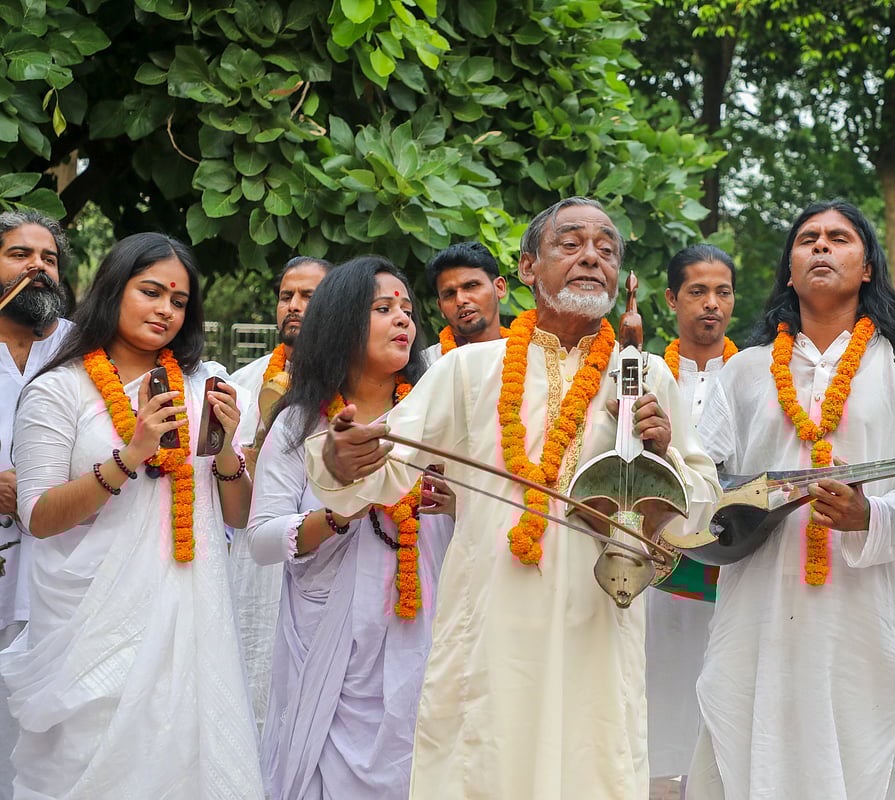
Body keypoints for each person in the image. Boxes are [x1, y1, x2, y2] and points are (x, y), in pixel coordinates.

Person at [306, 196, 720, 799]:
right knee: (484, 767)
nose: (591, 258)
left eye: (607, 248)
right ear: (527, 268)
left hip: (598, 621)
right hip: (490, 627)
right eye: (571, 243)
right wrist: (343, 457)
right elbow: (383, 469)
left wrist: (664, 456)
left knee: (591, 766)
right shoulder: (469, 369)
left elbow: (701, 507)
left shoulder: (645, 374)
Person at [689, 200, 895, 800]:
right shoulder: (746, 370)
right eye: (808, 239)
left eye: (839, 238)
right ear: (789, 271)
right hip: (756, 601)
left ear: (867, 269)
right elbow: (703, 472)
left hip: (854, 605)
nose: (822, 247)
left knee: (854, 740)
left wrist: (870, 517)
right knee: (745, 727)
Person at [3, 232, 261, 798]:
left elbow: (239, 517)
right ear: (114, 288)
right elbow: (39, 516)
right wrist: (129, 457)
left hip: (191, 620)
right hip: (91, 625)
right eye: (151, 292)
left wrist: (223, 449)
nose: (166, 310)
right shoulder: (59, 390)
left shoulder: (202, 382)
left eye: (179, 300)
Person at [248, 256, 454, 798]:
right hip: (326, 638)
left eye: (407, 309)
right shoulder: (299, 421)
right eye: (383, 308)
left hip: (420, 630)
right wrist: (341, 511)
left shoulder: (435, 418)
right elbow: (263, 540)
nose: (403, 320)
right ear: (341, 320)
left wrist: (455, 503)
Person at [226, 255, 331, 732]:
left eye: (308, 296)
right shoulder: (242, 383)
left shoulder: (354, 384)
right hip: (254, 564)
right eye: (287, 295)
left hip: (324, 562)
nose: (294, 305)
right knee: (248, 690)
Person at [647, 243, 737, 793]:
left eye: (722, 292)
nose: (711, 304)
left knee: (718, 684)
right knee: (657, 684)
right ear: (671, 299)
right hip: (653, 557)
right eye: (697, 292)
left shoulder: (753, 376)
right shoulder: (643, 375)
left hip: (729, 559)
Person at [0, 210, 74, 798]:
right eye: (20, 256)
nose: (37, 269)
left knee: (53, 729)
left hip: (66, 566)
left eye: (48, 259)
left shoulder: (88, 348)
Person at [421, 240, 508, 365]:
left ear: (499, 288)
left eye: (471, 286)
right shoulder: (426, 365)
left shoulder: (532, 355)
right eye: (449, 294)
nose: (460, 300)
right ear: (441, 308)